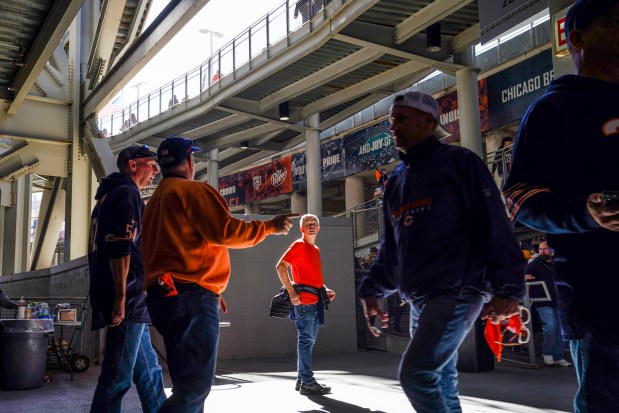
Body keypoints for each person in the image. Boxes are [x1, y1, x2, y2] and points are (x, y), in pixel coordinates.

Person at [358, 91, 525, 413]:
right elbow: (392, 249)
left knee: (418, 375)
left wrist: (508, 288)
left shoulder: (459, 162)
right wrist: (371, 290)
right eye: (392, 120)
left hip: (457, 290)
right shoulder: (396, 182)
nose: (393, 126)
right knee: (441, 378)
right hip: (420, 298)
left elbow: (494, 222)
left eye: (402, 118)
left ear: (428, 121)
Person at [503, 1, 619, 411]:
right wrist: (584, 213)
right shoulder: (553, 110)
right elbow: (516, 198)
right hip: (601, 299)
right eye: (613, 20)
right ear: (577, 38)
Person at [142, 136, 297, 413]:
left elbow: (173, 250)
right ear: (190, 161)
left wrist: (209, 287)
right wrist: (270, 227)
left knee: (184, 383)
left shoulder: (154, 202)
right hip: (191, 297)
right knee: (195, 389)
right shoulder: (194, 191)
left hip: (164, 297)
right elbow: (226, 232)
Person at [88, 145, 165, 413]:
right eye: (151, 164)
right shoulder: (126, 193)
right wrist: (121, 298)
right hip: (129, 298)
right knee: (117, 377)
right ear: (133, 165)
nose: (156, 170)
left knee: (149, 371)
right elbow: (120, 247)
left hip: (132, 299)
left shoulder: (108, 195)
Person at [275, 214, 335, 395]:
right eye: (307, 223)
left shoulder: (315, 249)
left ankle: (302, 380)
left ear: (318, 228)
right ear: (301, 229)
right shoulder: (298, 246)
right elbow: (280, 267)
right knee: (306, 342)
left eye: (314, 223)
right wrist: (292, 293)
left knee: (308, 342)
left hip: (315, 302)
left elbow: (312, 277)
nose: (311, 225)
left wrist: (324, 289)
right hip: (304, 303)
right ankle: (308, 382)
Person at [525, 242, 572, 367]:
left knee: (560, 330)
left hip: (558, 301)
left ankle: (558, 356)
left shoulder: (557, 264)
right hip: (542, 300)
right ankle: (547, 353)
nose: (542, 251)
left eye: (545, 249)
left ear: (551, 250)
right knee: (551, 325)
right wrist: (525, 276)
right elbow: (523, 275)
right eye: (540, 249)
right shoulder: (534, 264)